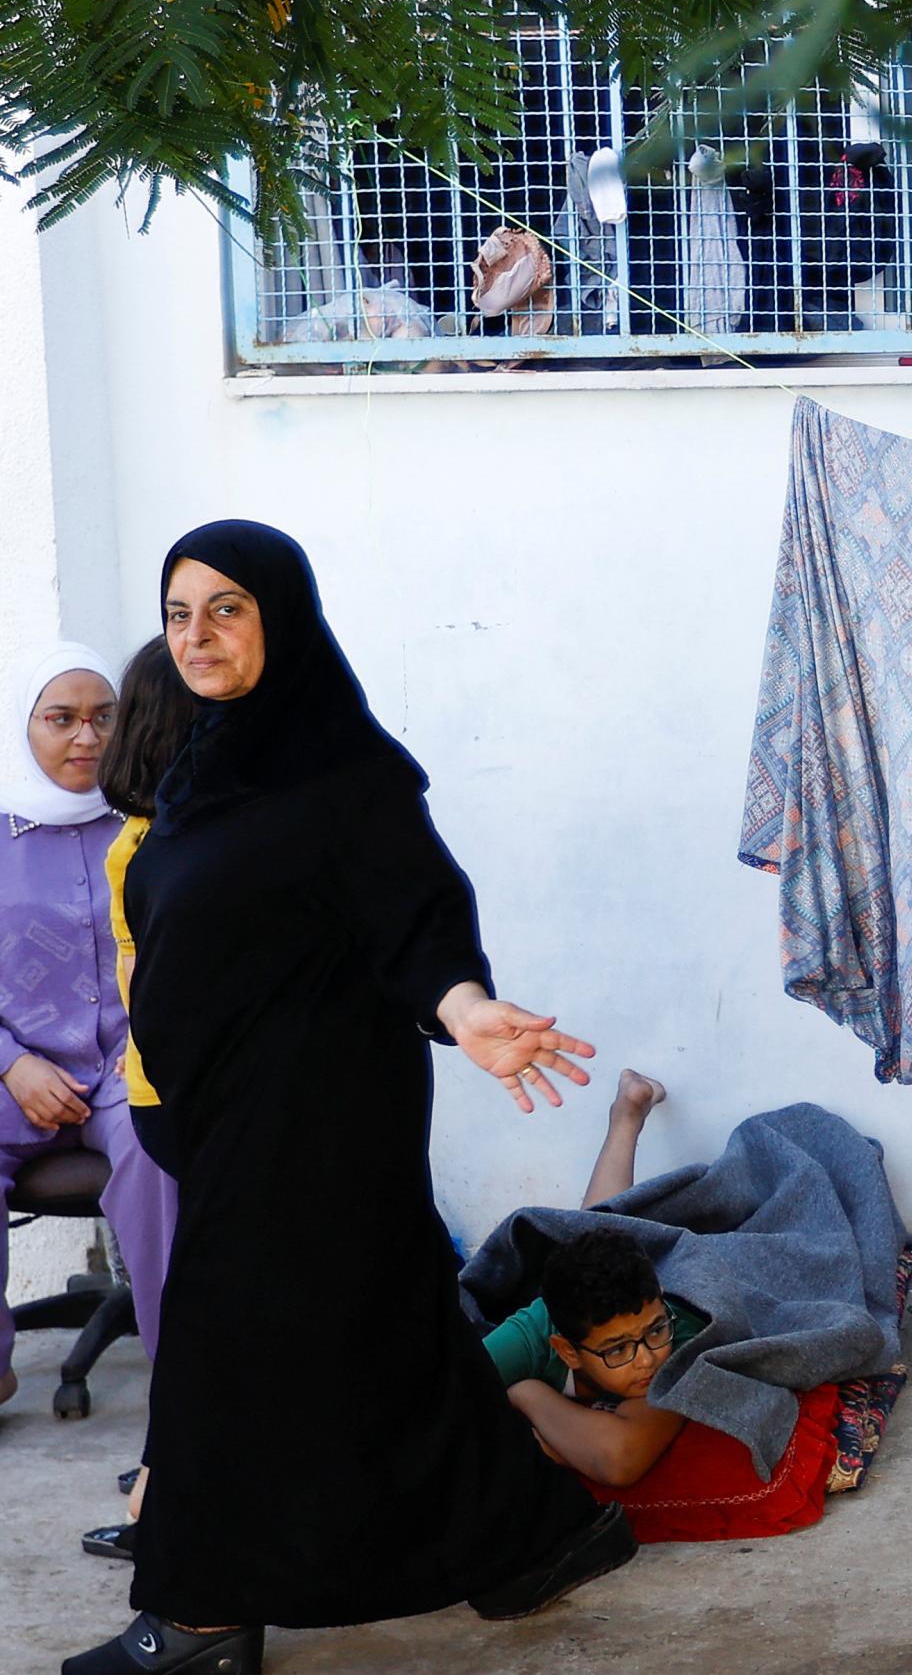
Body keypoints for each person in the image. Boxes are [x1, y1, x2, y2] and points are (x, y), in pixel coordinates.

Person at [70, 522, 630, 1675]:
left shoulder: (346, 772)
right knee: (387, 1332)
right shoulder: (202, 766)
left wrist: (466, 1010)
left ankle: (201, 1612)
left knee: (224, 1350)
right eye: (180, 612)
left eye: (227, 607)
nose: (198, 634)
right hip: (230, 1114)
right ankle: (535, 1534)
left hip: (318, 1111)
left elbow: (415, 916)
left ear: (281, 614)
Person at [0, 643, 180, 1421]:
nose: (86, 737)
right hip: (13, 1072)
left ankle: (190, 1379)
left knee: (159, 1146)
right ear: (22, 726)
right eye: (61, 718)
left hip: (128, 1063)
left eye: (104, 716)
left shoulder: (154, 823)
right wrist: (12, 1064)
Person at [76, 639, 201, 1563]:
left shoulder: (139, 838)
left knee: (204, 1305)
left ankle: (173, 1472)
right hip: (177, 1094)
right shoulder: (159, 847)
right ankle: (171, 1481)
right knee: (195, 1308)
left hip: (160, 1086)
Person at [484, 1071, 711, 1487]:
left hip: (666, 1268)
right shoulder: (529, 1339)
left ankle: (627, 1115)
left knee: (601, 1231)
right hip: (560, 1305)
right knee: (590, 1232)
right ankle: (626, 1114)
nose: (646, 1359)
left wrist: (526, 1396)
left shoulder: (677, 1338)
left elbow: (620, 1459)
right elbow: (436, 1407)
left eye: (653, 1331)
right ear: (566, 1352)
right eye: (617, 1349)